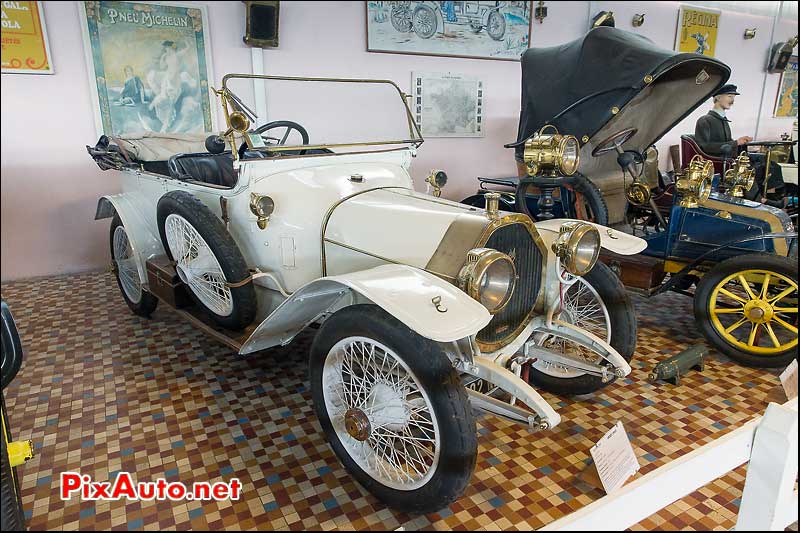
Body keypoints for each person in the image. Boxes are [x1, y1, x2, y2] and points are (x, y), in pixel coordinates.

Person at [695, 84, 786, 207]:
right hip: (718, 160)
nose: (732, 100)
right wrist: (736, 142)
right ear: (717, 97)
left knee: (770, 163)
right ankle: (762, 201)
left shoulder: (723, 120)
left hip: (730, 155)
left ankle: (771, 197)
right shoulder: (705, 120)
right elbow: (705, 147)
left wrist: (740, 142)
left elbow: (726, 142)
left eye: (733, 97)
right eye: (729, 96)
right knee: (747, 169)